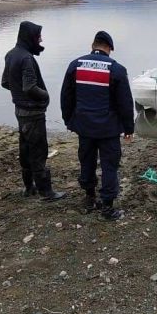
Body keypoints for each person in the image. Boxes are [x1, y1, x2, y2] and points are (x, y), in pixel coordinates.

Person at [60, 31, 135, 220]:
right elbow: (125, 102)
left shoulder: (75, 66)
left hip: (84, 126)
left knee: (87, 161)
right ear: (109, 48)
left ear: (93, 45)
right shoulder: (116, 69)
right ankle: (108, 208)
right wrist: (128, 128)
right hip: (108, 129)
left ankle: (89, 198)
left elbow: (66, 97)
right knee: (110, 166)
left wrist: (69, 120)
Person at [1, 21, 65, 201]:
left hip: (20, 112)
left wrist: (18, 95)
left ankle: (29, 188)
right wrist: (45, 95)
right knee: (38, 151)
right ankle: (47, 192)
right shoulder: (27, 58)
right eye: (38, 36)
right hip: (33, 113)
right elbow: (30, 87)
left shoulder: (11, 54)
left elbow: (5, 82)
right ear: (30, 37)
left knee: (25, 149)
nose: (41, 39)